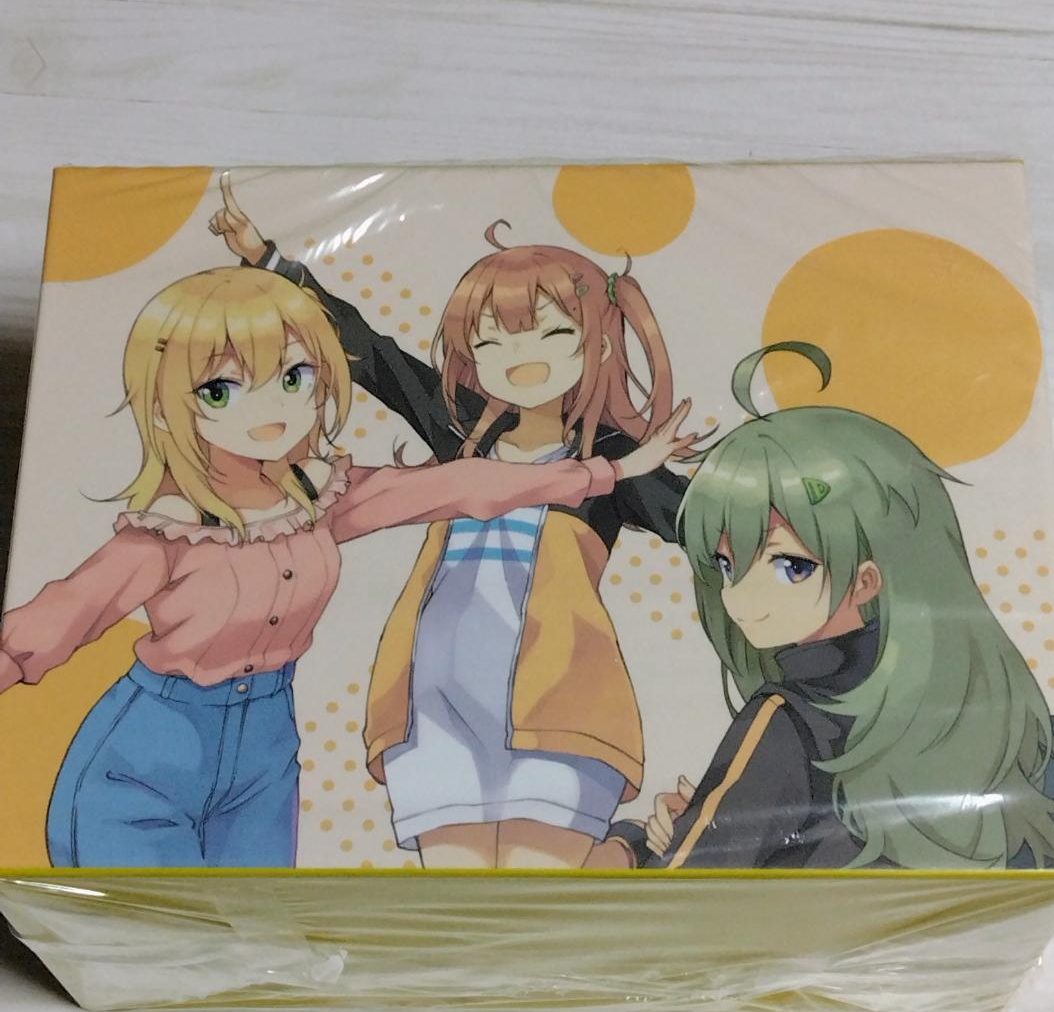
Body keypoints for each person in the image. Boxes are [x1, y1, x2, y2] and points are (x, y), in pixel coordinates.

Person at [0, 266, 691, 869]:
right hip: (147, 756)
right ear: (166, 405)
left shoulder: (322, 499)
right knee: (159, 934)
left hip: (266, 750)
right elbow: (55, 619)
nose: (271, 409)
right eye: (220, 391)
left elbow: (461, 486)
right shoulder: (167, 534)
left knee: (258, 937)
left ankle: (618, 855)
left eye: (293, 378)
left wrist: (604, 473)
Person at [210, 175, 697, 868]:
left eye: (553, 334)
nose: (522, 358)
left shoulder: (614, 459)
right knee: (461, 897)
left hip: (557, 706)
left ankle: (623, 854)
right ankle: (622, 855)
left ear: (599, 347)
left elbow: (710, 525)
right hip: (433, 707)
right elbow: (372, 355)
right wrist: (269, 261)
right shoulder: (461, 430)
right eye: (493, 341)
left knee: (540, 895)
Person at [589, 342, 1054, 871]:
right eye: (728, 566)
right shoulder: (982, 718)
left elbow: (694, 883)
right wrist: (714, 816)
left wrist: (641, 845)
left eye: (790, 566)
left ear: (867, 580)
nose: (740, 598)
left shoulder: (789, 718)